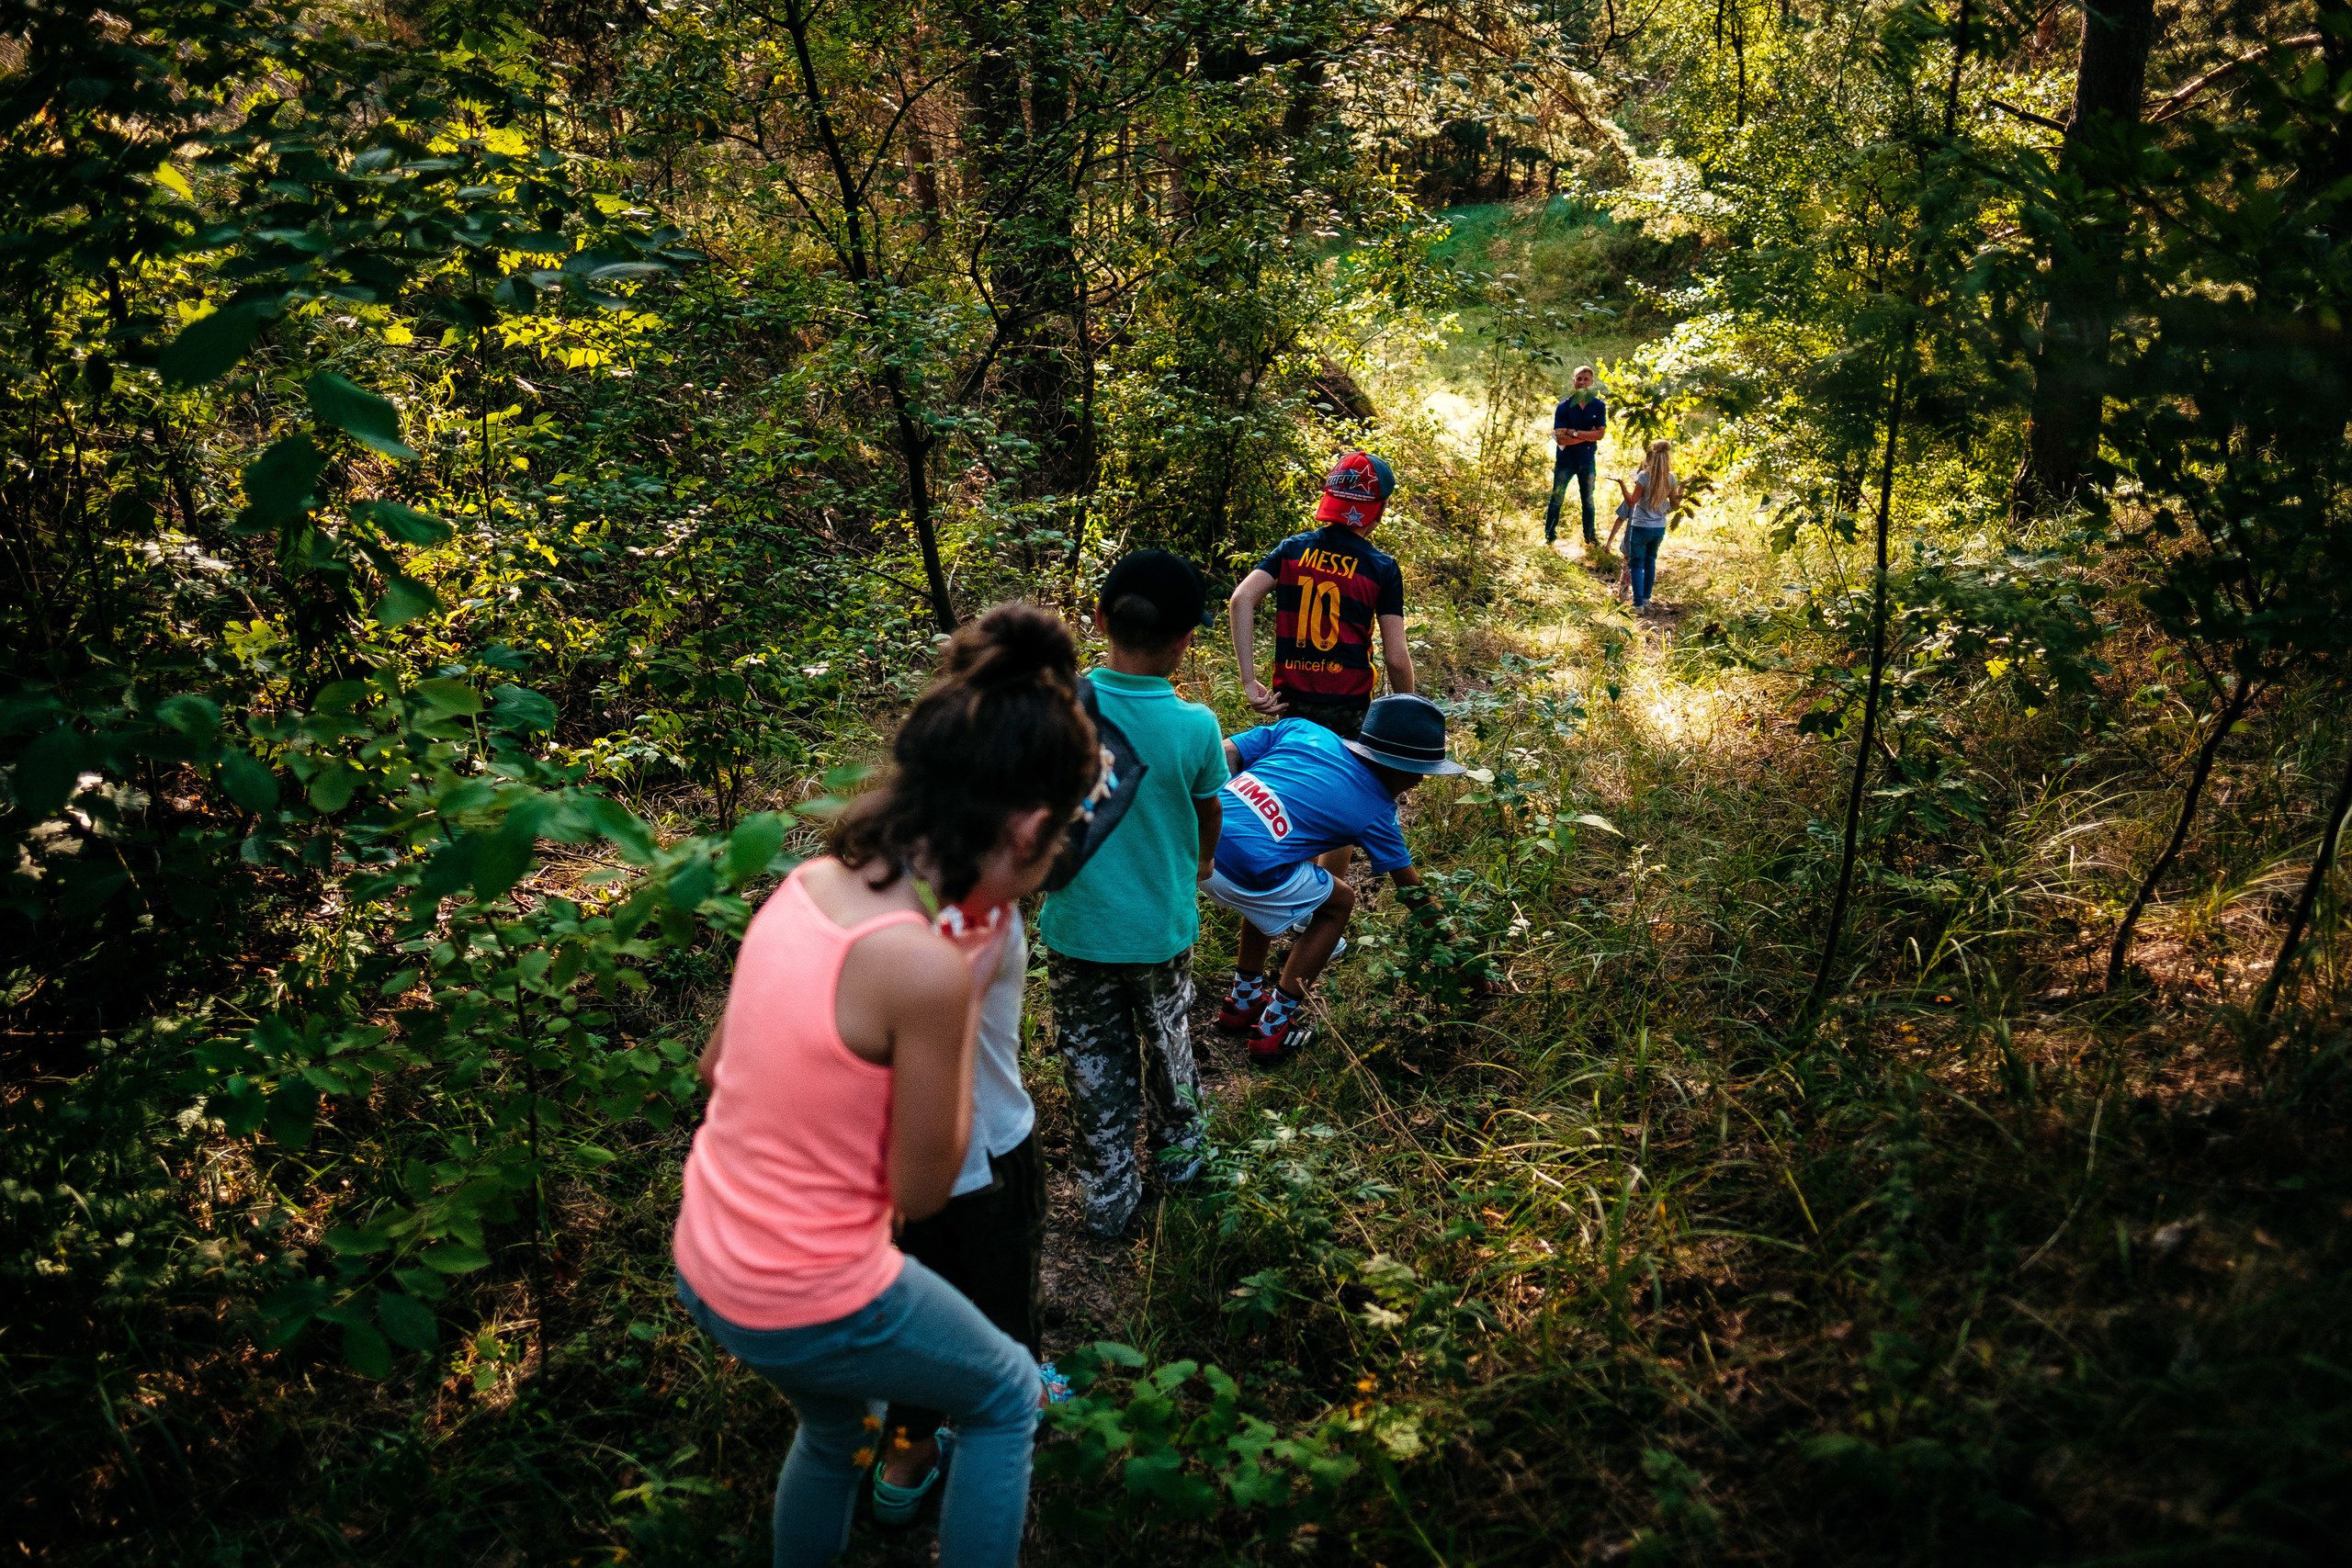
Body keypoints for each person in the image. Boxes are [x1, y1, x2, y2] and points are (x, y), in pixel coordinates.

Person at [672, 604, 1098, 1568]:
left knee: (834, 1433)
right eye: (1060, 838)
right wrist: (958, 995)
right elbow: (921, 1190)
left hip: (708, 1257)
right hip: (812, 1294)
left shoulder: (812, 882)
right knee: (1002, 1398)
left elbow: (713, 1070)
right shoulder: (929, 968)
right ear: (1028, 827)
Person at [1041, 550, 1228, 1240]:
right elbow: (1210, 809)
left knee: (1093, 1063)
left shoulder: (1060, 708)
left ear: (1098, 619)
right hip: (1159, 931)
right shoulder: (1196, 727)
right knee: (1169, 1045)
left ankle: (1108, 1198)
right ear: (1186, 640)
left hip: (1076, 930)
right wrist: (1202, 860)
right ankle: (1181, 1166)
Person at [1204, 694, 1464, 1064]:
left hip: (1199, 844)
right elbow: (1414, 894)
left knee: (1278, 865)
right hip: (1245, 872)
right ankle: (1274, 1028)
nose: (1421, 783)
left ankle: (1242, 1003)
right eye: (1420, 771)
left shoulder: (1303, 730)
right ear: (1397, 766)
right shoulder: (1378, 811)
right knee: (1338, 903)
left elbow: (1224, 753)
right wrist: (1465, 960)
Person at [1227, 450, 1415, 743]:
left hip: (1291, 706)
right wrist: (1408, 713)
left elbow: (1241, 599)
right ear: (1380, 509)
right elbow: (1397, 658)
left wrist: (1249, 681)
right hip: (1349, 711)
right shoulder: (1381, 568)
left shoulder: (1292, 550)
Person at [1607, 438, 1681, 613]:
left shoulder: (1643, 477)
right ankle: (1646, 599)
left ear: (1651, 458)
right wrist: (1680, 490)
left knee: (1636, 564)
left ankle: (1638, 604)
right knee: (1650, 562)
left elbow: (1632, 502)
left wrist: (1622, 485)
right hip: (1659, 527)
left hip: (1640, 527)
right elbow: (1675, 505)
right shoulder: (1671, 479)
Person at [1544, 365, 1607, 550]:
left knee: (1588, 500)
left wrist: (1575, 433)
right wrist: (1588, 434)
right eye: (1579, 378)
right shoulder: (1563, 406)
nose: (1582, 382)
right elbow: (1560, 437)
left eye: (1586, 379)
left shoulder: (1599, 406)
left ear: (1592, 382)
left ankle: (1589, 538)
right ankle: (1549, 537)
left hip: (1587, 461)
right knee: (1556, 499)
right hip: (1565, 461)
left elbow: (1600, 435)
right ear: (1573, 381)